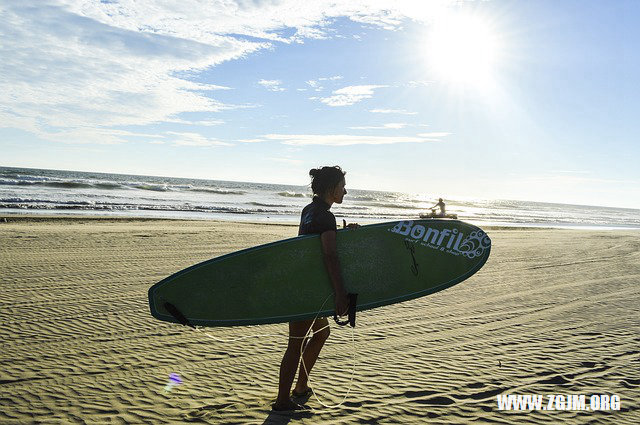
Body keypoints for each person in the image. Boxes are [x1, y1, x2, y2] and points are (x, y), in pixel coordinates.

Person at [272, 165, 358, 411]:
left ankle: (300, 387)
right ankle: (282, 400)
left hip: (303, 283)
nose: (345, 190)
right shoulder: (325, 216)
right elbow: (329, 255)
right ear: (332, 189)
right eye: (342, 186)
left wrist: (340, 233)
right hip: (305, 291)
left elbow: (316, 244)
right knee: (296, 343)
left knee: (321, 333)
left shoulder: (310, 210)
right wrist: (341, 294)